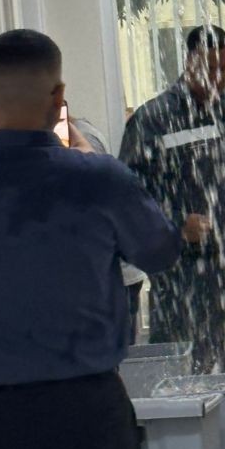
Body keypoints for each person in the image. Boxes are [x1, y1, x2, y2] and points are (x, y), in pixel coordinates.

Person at [0, 29, 181, 449]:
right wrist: (92, 160)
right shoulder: (98, 180)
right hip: (85, 413)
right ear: (60, 95)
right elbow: (160, 252)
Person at [119, 24, 225, 375]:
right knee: (184, 382)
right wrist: (175, 225)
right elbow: (129, 201)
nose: (218, 78)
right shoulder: (152, 121)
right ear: (188, 63)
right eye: (209, 67)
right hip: (182, 284)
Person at [70, 115, 150, 345]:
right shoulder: (73, 134)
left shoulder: (83, 137)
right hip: (111, 270)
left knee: (116, 352)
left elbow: (92, 197)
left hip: (117, 275)